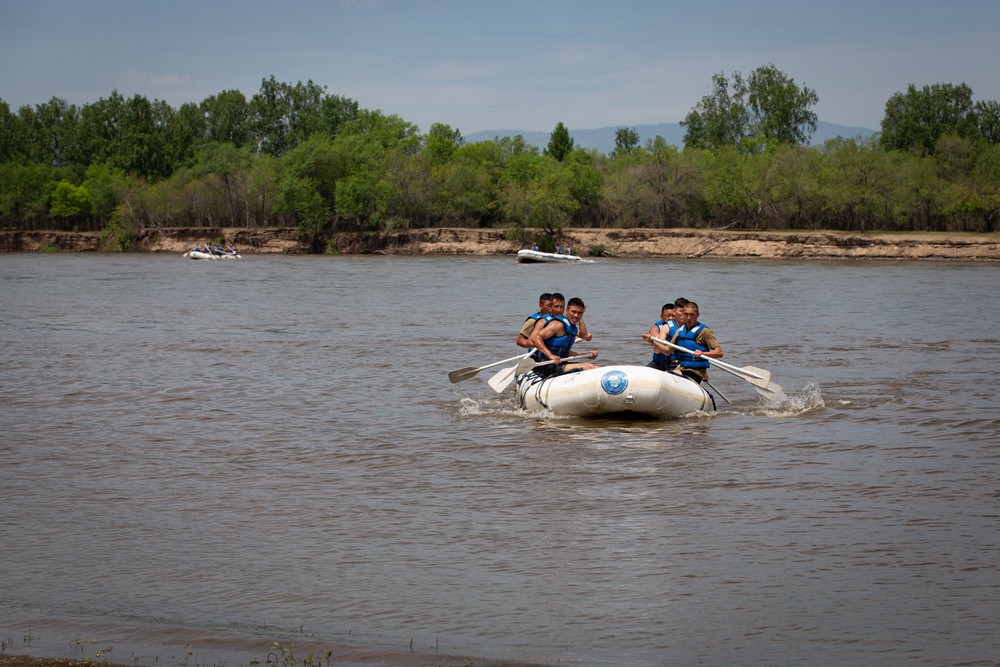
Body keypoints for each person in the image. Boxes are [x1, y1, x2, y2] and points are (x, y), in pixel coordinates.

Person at [528, 297, 598, 378]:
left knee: (595, 368)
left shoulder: (572, 327)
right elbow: (535, 338)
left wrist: (586, 354)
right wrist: (550, 355)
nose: (576, 315)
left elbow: (583, 335)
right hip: (547, 366)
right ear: (567, 311)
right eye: (574, 312)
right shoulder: (558, 324)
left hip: (561, 364)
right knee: (589, 367)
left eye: (579, 313)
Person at [672, 301, 722, 384]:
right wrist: (653, 341)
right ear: (683, 314)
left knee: (674, 375)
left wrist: (703, 353)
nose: (688, 318)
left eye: (692, 315)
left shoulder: (705, 331)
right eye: (686, 314)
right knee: (667, 374)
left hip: (696, 371)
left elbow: (719, 353)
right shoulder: (680, 330)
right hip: (681, 367)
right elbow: (667, 350)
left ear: (698, 315)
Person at [642, 303, 679, 371]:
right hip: (659, 361)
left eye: (673, 316)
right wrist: (652, 340)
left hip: (676, 362)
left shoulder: (682, 327)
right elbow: (657, 349)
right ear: (661, 317)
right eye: (667, 316)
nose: (670, 318)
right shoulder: (655, 328)